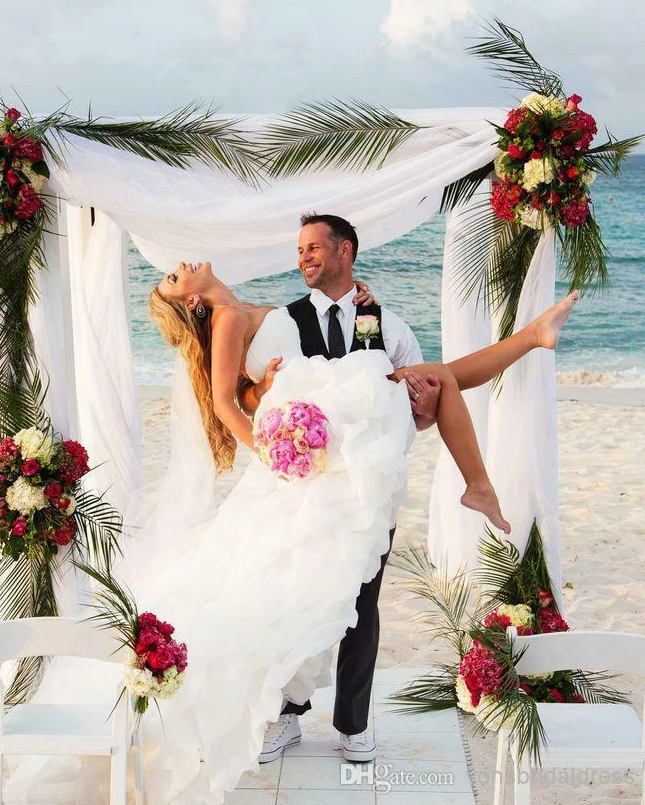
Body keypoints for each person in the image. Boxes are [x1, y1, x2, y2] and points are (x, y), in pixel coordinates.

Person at [149, 212, 579, 766]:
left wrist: (418, 413)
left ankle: (353, 724)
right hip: (300, 486)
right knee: (290, 593)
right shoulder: (279, 316)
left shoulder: (386, 321)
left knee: (362, 604)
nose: (303, 257)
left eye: (313, 248)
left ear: (345, 250)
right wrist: (271, 416)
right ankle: (285, 715)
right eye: (299, 249)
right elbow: (244, 399)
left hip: (366, 486)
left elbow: (417, 410)